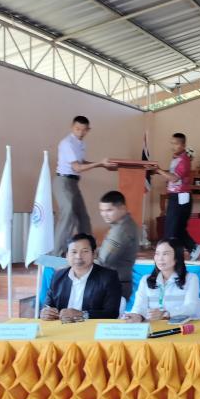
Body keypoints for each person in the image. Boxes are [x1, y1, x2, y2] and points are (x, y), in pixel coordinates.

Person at [53, 115, 113, 256]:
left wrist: (102, 165)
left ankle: (88, 249)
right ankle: (57, 253)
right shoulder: (67, 143)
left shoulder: (80, 144)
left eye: (83, 130)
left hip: (74, 183)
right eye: (77, 129)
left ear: (88, 130)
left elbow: (82, 162)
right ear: (72, 127)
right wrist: (100, 163)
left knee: (83, 217)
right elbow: (77, 167)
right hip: (62, 181)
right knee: (68, 212)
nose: (80, 132)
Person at [40, 233, 121, 321]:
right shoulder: (58, 276)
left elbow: (112, 313)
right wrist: (45, 312)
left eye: (85, 251)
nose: (78, 256)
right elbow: (48, 306)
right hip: (61, 327)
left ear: (94, 254)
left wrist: (82, 314)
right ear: (67, 256)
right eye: (74, 252)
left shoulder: (109, 277)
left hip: (91, 328)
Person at [124, 238, 200, 322]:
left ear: (177, 257)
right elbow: (139, 307)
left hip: (179, 326)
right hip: (154, 326)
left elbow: (190, 308)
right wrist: (137, 316)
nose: (160, 258)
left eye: (165, 254)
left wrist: (166, 313)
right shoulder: (146, 280)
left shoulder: (191, 278)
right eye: (157, 254)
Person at [155, 132, 200, 261]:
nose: (173, 146)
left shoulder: (183, 160)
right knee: (177, 228)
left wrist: (158, 170)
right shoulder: (176, 158)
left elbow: (175, 178)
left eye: (176, 144)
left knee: (171, 229)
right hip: (176, 196)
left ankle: (171, 255)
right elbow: (172, 175)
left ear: (183, 145)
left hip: (180, 197)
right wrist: (159, 171)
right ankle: (192, 247)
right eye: (172, 143)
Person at [97, 190, 139, 304]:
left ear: (122, 208)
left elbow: (104, 261)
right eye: (102, 210)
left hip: (115, 285)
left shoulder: (121, 231)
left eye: (109, 210)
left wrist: (75, 264)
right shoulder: (124, 224)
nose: (104, 214)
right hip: (118, 282)